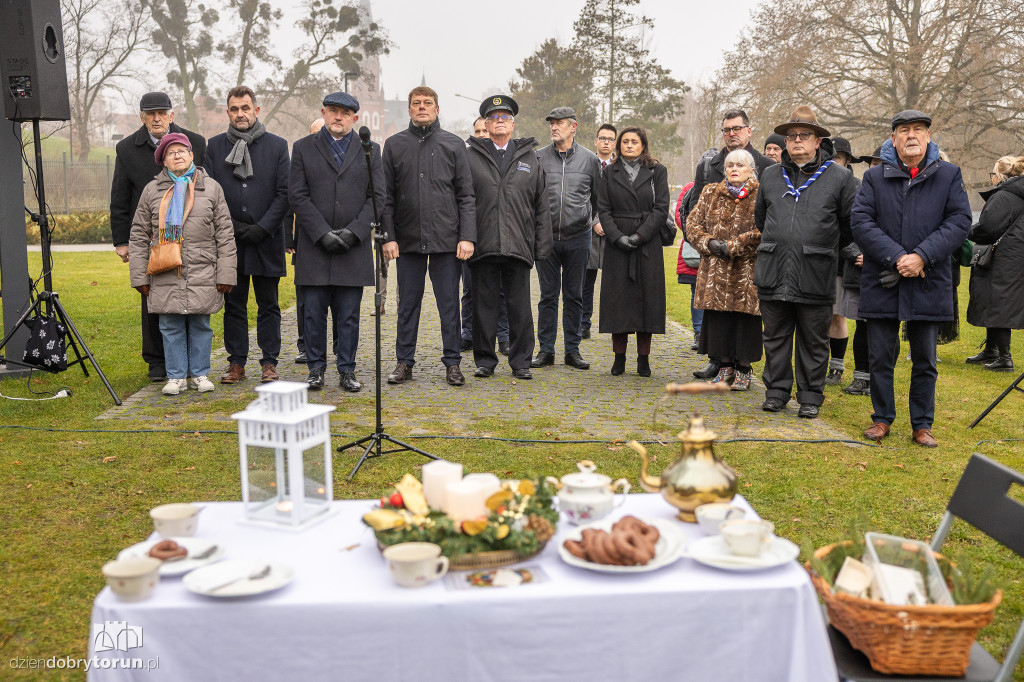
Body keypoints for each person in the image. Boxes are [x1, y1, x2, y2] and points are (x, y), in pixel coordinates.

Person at [852, 110, 971, 447]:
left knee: (925, 359)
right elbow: (861, 221)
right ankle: (881, 418)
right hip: (883, 279)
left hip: (927, 280)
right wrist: (896, 257)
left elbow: (959, 221)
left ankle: (922, 424)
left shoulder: (948, 175)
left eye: (919, 129)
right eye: (904, 130)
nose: (912, 136)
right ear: (894, 139)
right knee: (879, 355)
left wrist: (922, 256)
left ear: (928, 137)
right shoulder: (875, 178)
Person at [754, 106, 858, 418]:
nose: (797, 140)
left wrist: (821, 247)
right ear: (785, 142)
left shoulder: (840, 178)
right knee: (775, 337)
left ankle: (810, 396)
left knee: (814, 340)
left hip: (815, 271)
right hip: (774, 269)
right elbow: (762, 218)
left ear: (817, 141)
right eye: (792, 136)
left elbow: (850, 225)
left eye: (805, 135)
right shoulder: (771, 176)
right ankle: (776, 392)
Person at [288, 92, 385, 392]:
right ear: (324, 113)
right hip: (315, 248)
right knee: (313, 314)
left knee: (349, 316)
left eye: (344, 113)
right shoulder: (303, 148)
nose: (338, 117)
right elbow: (297, 195)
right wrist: (321, 232)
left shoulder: (370, 150)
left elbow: (377, 197)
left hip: (352, 248)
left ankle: (347, 370)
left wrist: (355, 232)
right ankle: (316, 369)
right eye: (332, 111)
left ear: (355, 118)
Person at [381, 86, 476, 387]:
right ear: (409, 109)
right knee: (407, 304)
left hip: (447, 240)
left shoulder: (453, 144)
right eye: (416, 103)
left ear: (437, 108)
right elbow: (386, 197)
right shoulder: (394, 145)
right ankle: (403, 361)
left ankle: (452, 363)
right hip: (407, 240)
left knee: (449, 303)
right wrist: (388, 237)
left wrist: (467, 236)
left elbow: (466, 195)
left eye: (428, 103)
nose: (422, 107)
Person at [128, 134, 235, 395]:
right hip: (164, 267)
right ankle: (175, 376)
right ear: (163, 160)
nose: (177, 155)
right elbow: (139, 233)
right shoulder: (151, 191)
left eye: (181, 151)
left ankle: (199, 374)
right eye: (170, 152)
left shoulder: (211, 188)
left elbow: (225, 233)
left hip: (202, 266)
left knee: (201, 323)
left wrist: (227, 273)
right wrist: (139, 276)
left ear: (191, 156)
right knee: (169, 325)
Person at [110, 92, 206, 382]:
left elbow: (205, 186)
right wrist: (122, 241)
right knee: (152, 298)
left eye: (161, 112)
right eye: (150, 113)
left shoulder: (196, 143)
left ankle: (191, 364)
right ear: (142, 117)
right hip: (151, 236)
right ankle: (157, 362)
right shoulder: (126, 149)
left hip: (189, 233)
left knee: (192, 297)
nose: (156, 118)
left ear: (171, 115)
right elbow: (120, 196)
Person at [205, 86, 290, 386]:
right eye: (234, 109)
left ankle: (269, 362)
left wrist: (262, 227)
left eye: (245, 108)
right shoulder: (214, 147)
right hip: (230, 242)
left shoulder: (278, 146)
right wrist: (236, 228)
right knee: (234, 304)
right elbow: (211, 194)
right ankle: (236, 362)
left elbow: (284, 194)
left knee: (269, 304)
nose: (240, 114)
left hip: (267, 240)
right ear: (227, 112)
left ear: (256, 110)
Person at [465, 95, 552, 379]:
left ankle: (521, 361)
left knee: (520, 307)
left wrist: (541, 246)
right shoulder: (471, 156)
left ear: (513, 124)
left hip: (518, 243)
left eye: (504, 118)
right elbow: (463, 200)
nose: (499, 121)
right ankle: (485, 361)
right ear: (486, 124)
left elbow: (541, 204)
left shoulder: (530, 157)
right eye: (494, 118)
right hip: (484, 243)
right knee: (483, 306)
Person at [685, 110, 773, 380]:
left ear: (749, 130)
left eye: (737, 128)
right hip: (715, 264)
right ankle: (719, 363)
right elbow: (692, 212)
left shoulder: (768, 168)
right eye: (727, 129)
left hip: (747, 265)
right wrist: (708, 243)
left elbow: (768, 223)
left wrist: (734, 246)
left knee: (745, 317)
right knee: (718, 316)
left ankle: (743, 367)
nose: (732, 133)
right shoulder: (710, 166)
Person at [596, 127, 669, 377]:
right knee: (619, 301)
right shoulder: (609, 172)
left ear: (643, 145)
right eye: (624, 141)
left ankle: (643, 358)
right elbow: (603, 209)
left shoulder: (657, 171)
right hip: (618, 244)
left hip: (647, 243)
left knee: (646, 300)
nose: (629, 145)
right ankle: (619, 357)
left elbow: (661, 208)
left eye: (634, 141)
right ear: (619, 145)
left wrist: (640, 236)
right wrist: (616, 237)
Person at [533, 107, 602, 371]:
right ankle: (545, 350)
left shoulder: (590, 160)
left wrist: (584, 219)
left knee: (574, 296)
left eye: (559, 123)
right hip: (547, 239)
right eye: (551, 123)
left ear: (574, 126)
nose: (554, 127)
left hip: (578, 237)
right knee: (548, 296)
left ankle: (572, 351)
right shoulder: (538, 157)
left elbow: (597, 199)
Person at [966, 154, 1024, 372]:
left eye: (992, 173)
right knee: (997, 301)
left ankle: (1004, 357)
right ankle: (992, 350)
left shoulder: (1004, 196)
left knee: (998, 303)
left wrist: (969, 231)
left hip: (1002, 258)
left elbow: (988, 227)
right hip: (1016, 256)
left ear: (999, 175)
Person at [460, 117, 510, 356]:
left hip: (497, 235)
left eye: (484, 130)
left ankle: (503, 335)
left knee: (500, 290)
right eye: (477, 131)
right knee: (470, 289)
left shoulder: (499, 159)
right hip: (472, 236)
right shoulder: (466, 158)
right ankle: (468, 333)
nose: (481, 134)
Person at [841, 145, 884, 396]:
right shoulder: (856, 193)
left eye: (879, 164)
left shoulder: (899, 195)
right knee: (861, 326)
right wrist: (857, 254)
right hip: (858, 271)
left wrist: (878, 257)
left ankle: (878, 379)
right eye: (871, 164)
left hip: (885, 271)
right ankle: (860, 378)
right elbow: (843, 231)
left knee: (880, 329)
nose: (874, 168)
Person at [285, 118, 326, 364]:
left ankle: (336, 345)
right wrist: (289, 238)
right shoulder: (301, 159)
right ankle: (304, 344)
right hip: (304, 241)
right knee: (304, 299)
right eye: (314, 132)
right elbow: (291, 200)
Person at [824, 137, 863, 386]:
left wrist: (852, 251)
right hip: (821, 255)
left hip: (845, 258)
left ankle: (838, 367)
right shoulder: (820, 181)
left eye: (838, 157)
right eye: (831, 157)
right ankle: (826, 363)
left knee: (840, 314)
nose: (834, 162)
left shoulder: (858, 185)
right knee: (825, 314)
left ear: (847, 160)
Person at [583, 123, 617, 339]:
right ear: (596, 141)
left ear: (615, 143)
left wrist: (609, 224)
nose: (606, 142)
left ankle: (614, 325)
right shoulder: (586, 164)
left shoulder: (620, 166)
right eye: (602, 138)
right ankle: (583, 324)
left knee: (613, 283)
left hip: (614, 232)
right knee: (585, 283)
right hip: (588, 231)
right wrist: (594, 221)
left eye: (610, 139)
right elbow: (581, 197)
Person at [674, 181, 700, 351]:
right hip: (694, 247)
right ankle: (698, 332)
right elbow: (679, 214)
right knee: (695, 291)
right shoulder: (689, 187)